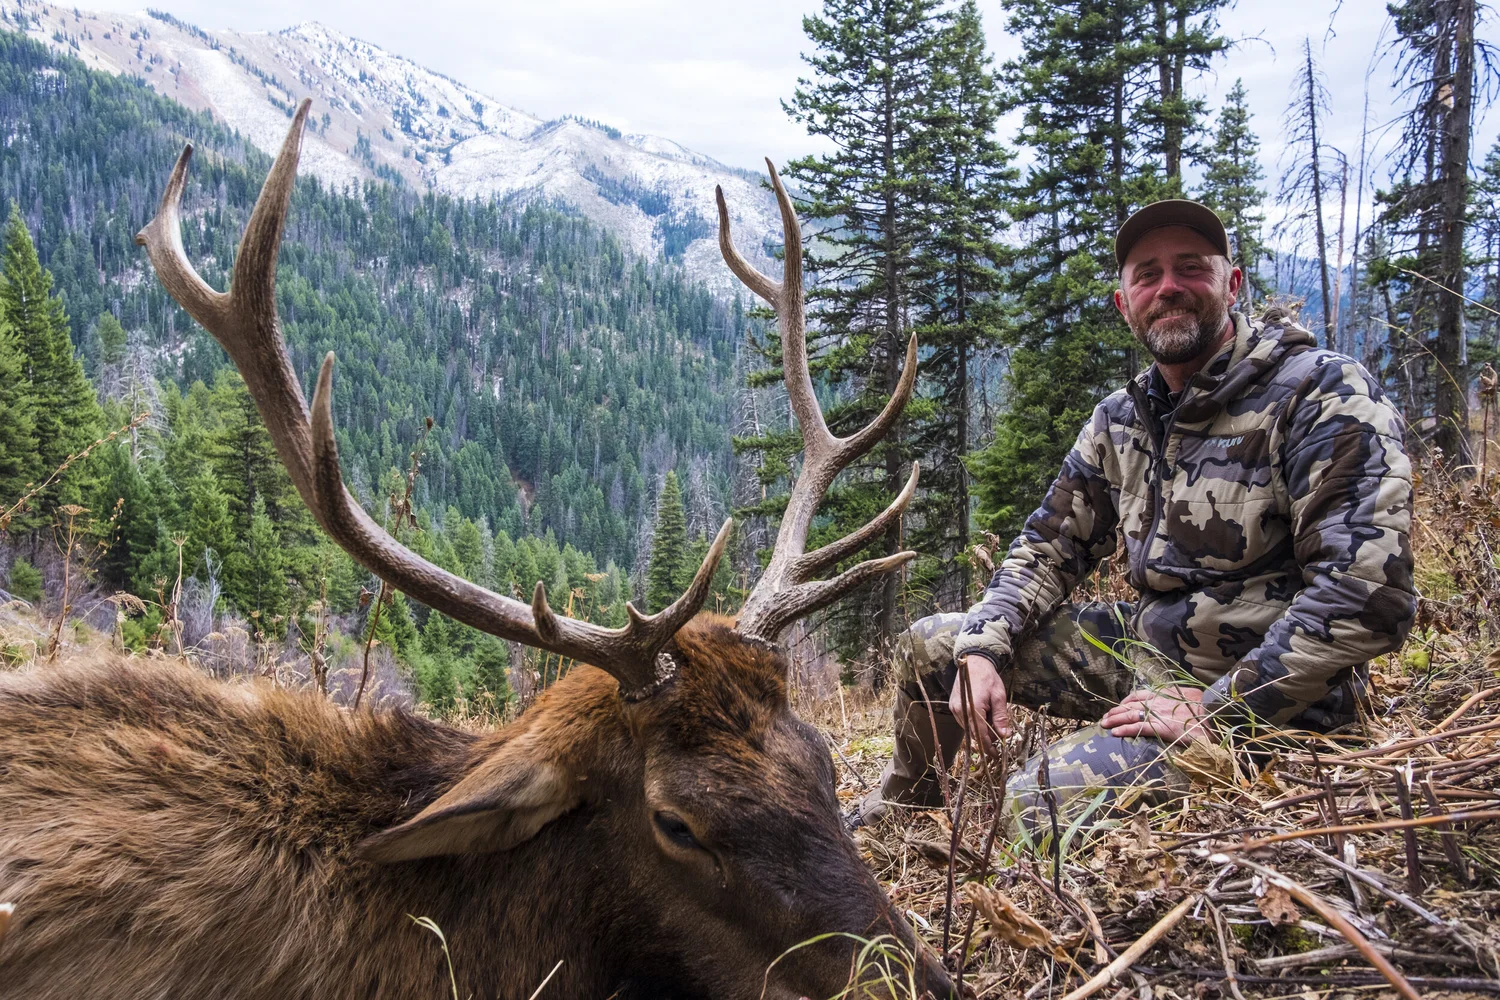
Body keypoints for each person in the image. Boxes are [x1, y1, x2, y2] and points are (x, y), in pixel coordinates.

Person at [850, 199, 1416, 837]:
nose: (1168, 287)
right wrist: (983, 646)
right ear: (1126, 305)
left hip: (1281, 697)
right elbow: (1047, 547)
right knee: (935, 643)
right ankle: (899, 818)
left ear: (1232, 285)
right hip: (1149, 650)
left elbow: (1368, 593)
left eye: (1190, 268)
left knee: (1033, 800)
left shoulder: (1322, 393)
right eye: (1147, 275)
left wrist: (1218, 709)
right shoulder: (1123, 419)